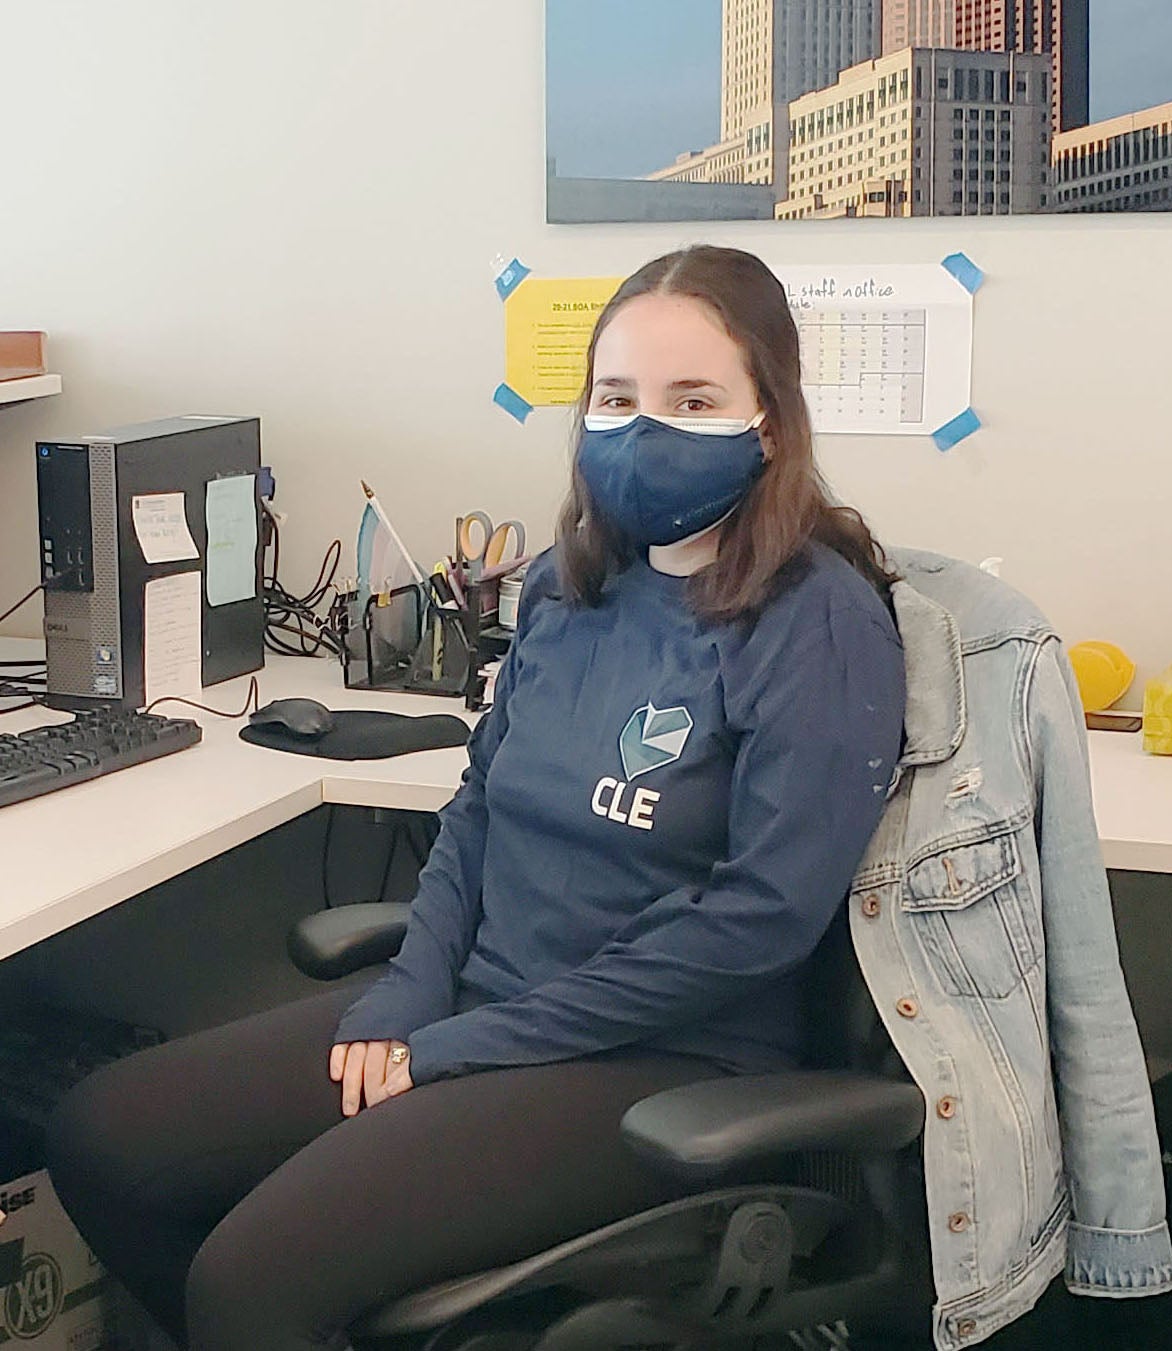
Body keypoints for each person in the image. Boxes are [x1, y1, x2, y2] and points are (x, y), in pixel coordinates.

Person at [43, 245, 908, 1351]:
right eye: (616, 398)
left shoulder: (815, 622)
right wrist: (410, 992)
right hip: (479, 1003)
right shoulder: (564, 584)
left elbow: (759, 922)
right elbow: (478, 811)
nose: (645, 430)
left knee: (252, 1281)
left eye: (694, 400)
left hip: (658, 1055)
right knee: (106, 1137)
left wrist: (467, 1043)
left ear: (770, 422)